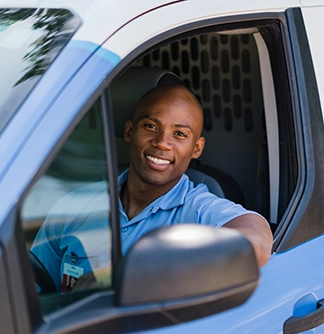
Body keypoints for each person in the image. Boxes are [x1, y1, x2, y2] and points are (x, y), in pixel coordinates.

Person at [32, 84, 272, 293]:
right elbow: (36, 287)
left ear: (197, 148)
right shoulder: (74, 205)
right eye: (150, 126)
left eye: (179, 134)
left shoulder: (196, 209)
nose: (162, 143)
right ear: (129, 131)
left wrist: (136, 276)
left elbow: (257, 243)